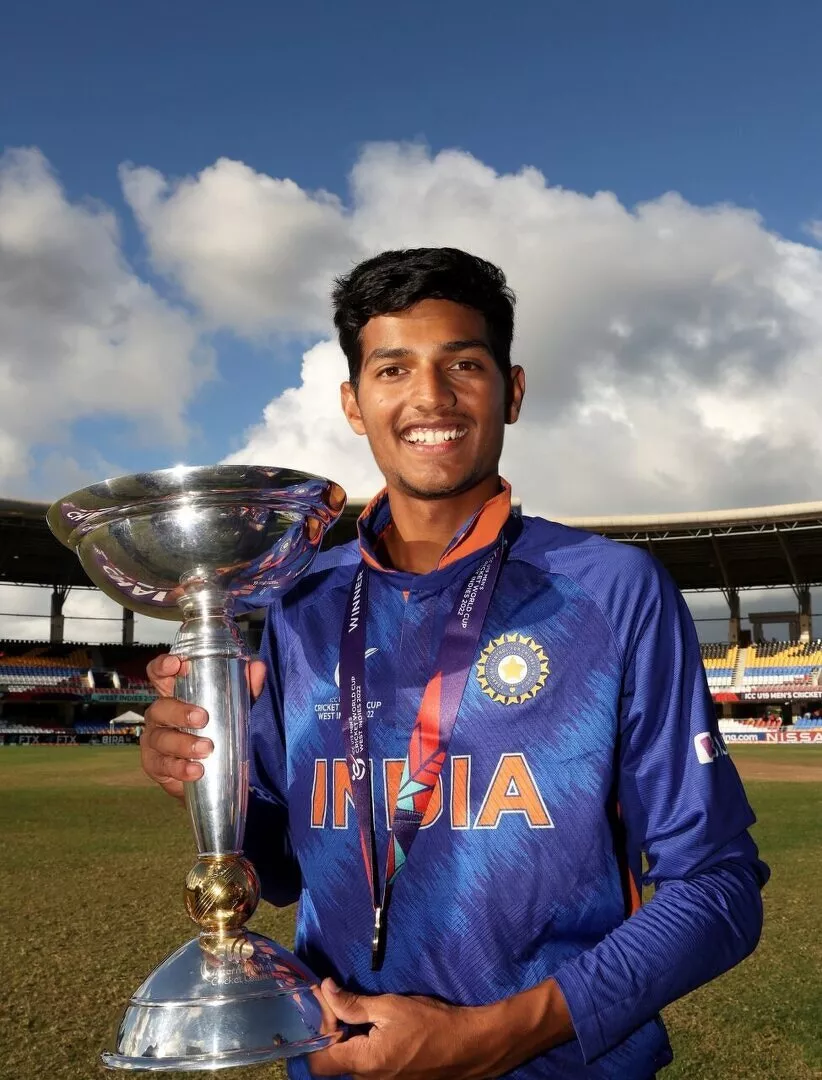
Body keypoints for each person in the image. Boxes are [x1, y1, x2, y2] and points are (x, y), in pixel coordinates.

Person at [141, 247, 768, 1079]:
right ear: (354, 404)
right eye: (392, 368)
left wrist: (494, 1037)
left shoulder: (613, 593)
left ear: (510, 390)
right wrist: (202, 774)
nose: (428, 397)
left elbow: (718, 889)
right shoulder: (296, 605)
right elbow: (284, 869)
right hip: (339, 1064)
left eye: (463, 365)